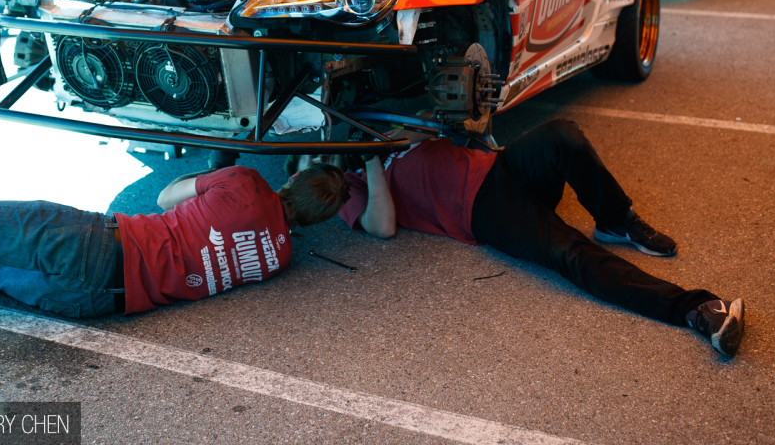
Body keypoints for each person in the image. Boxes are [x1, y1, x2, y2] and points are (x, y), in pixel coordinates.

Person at [0, 162, 350, 384]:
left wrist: (209, 186)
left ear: (294, 179)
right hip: (102, 302)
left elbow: (166, 193)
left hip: (103, 250)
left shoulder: (248, 183)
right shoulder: (280, 256)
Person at [317, 119, 746, 357]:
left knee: (562, 136)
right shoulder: (351, 187)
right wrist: (370, 159)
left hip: (501, 166)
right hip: (481, 210)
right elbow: (383, 226)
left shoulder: (397, 135)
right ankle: (695, 310)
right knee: (570, 252)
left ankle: (615, 220)